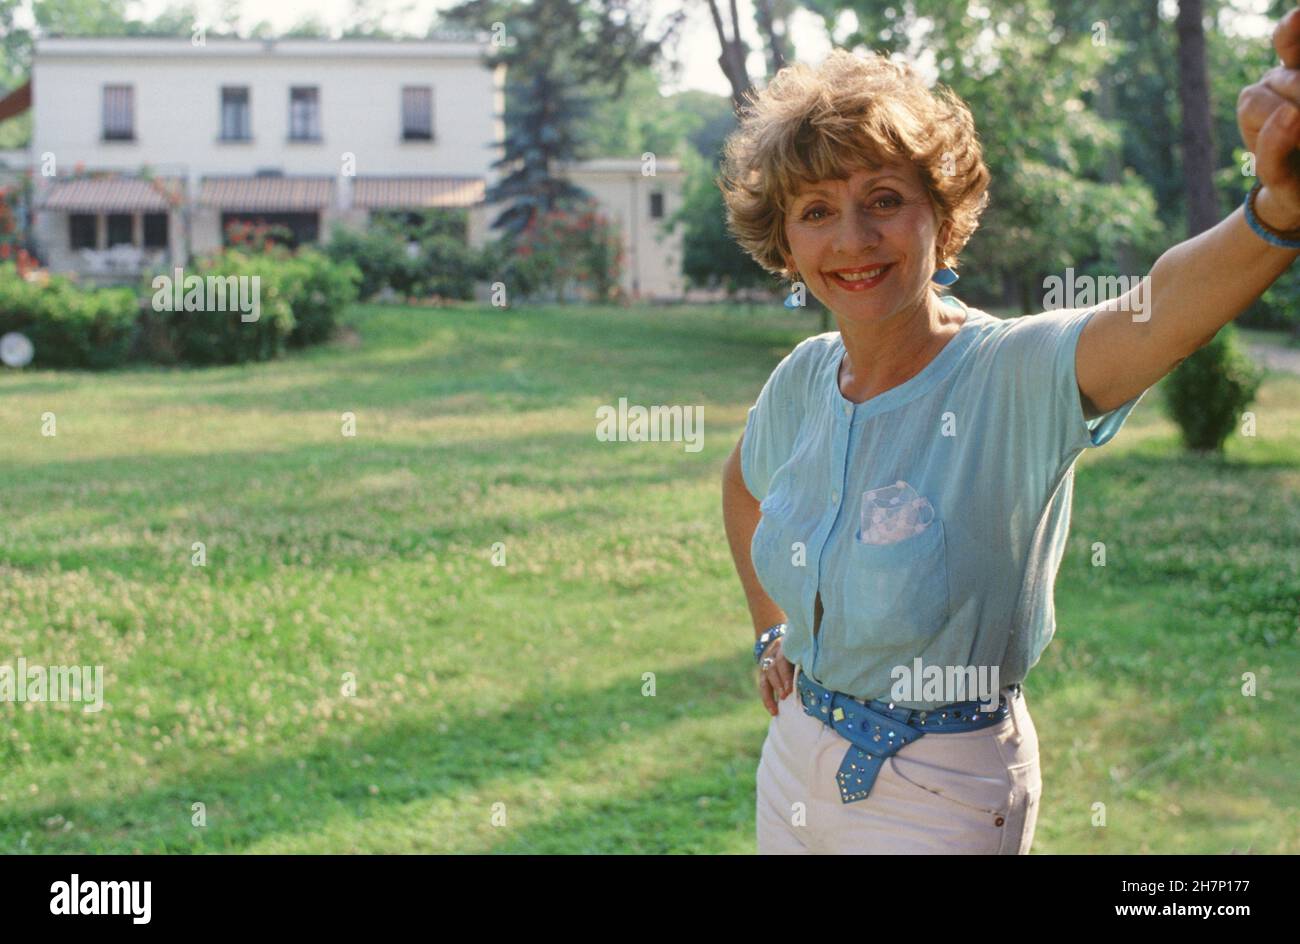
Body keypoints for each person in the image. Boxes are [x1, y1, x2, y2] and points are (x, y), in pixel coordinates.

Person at [719, 14, 1300, 854]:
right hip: (794, 757)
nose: (851, 238)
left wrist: (1276, 209)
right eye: (816, 211)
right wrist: (770, 628)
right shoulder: (804, 378)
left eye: (884, 200)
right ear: (785, 241)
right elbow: (743, 488)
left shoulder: (1010, 375)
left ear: (941, 217)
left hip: (940, 788)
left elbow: (1158, 315)